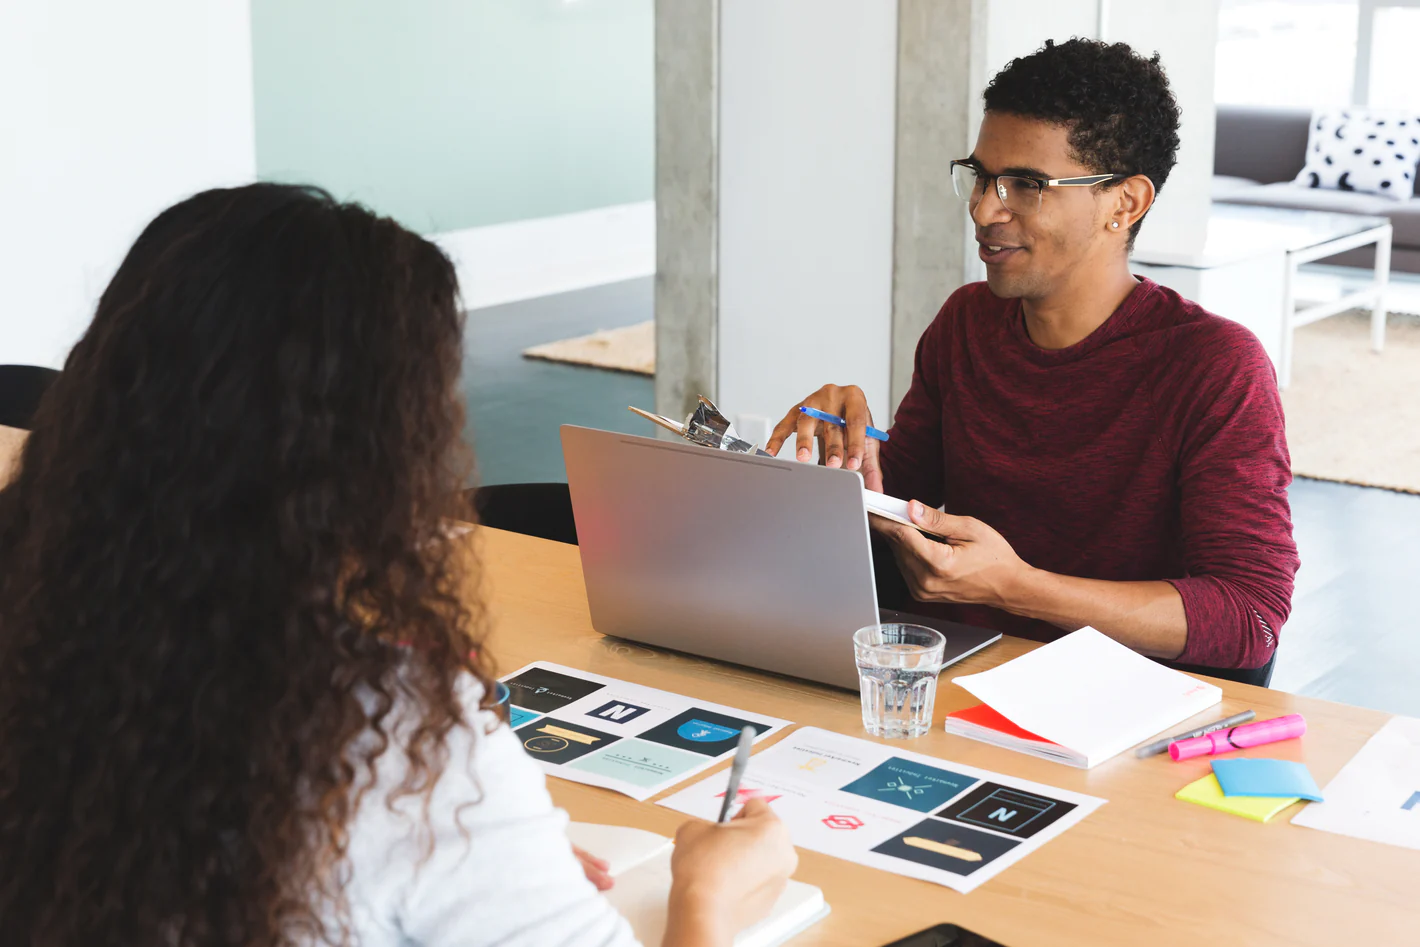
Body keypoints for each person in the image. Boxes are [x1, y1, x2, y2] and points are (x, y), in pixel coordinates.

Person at [0, 183, 795, 947]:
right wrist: (708, 890)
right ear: (367, 460)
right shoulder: (396, 737)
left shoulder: (45, 620)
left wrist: (487, 860)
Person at [766, 39, 1299, 682]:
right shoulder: (965, 323)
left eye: (1026, 184)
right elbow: (907, 516)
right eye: (982, 175)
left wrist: (1016, 588)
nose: (985, 209)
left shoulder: (1215, 366)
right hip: (958, 686)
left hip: (1122, 712)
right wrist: (850, 461)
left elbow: (1251, 616)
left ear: (1124, 203)